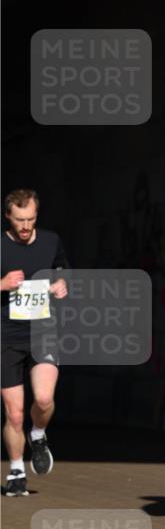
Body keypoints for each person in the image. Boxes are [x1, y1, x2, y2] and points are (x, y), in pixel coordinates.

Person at [1, 189, 68, 497]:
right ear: (8, 217)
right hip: (6, 337)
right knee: (14, 414)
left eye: (31, 219)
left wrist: (62, 284)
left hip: (43, 331)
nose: (26, 226)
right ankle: (16, 471)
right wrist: (2, 284)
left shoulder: (51, 241)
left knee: (43, 400)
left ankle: (38, 434)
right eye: (19, 220)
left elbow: (63, 269)